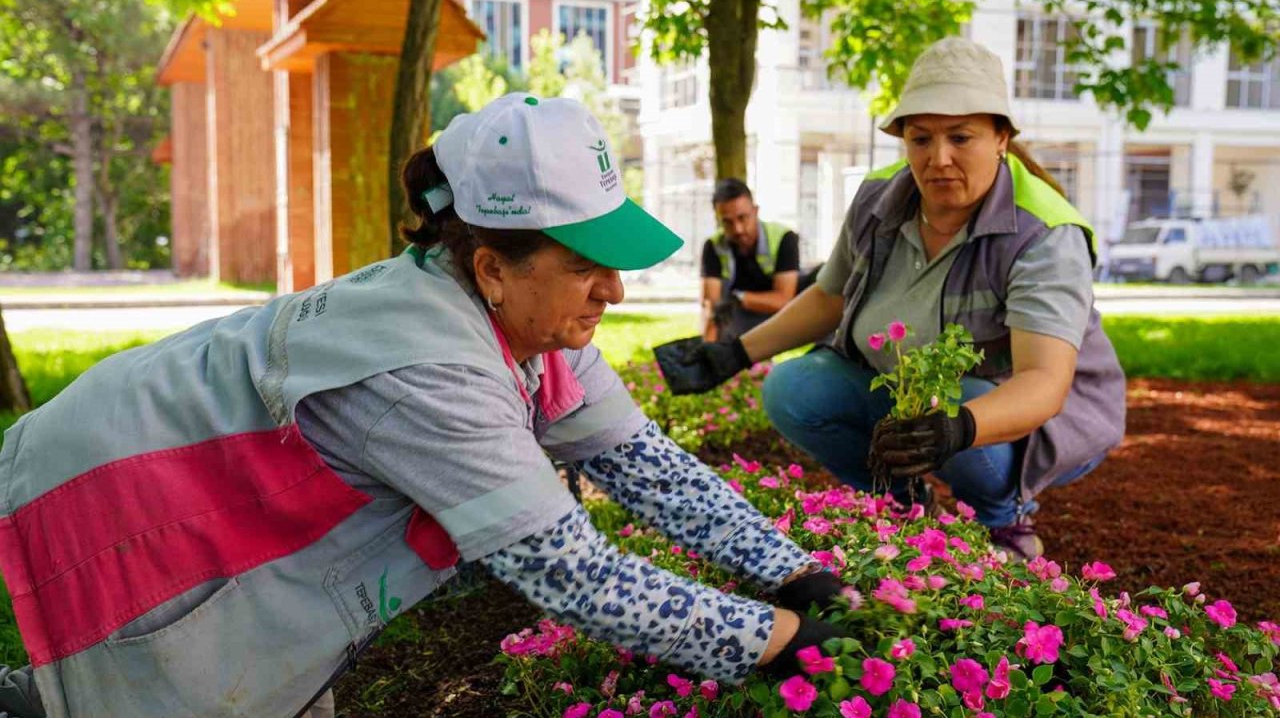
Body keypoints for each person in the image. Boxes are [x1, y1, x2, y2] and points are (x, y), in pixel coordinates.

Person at [0, 94, 849, 718]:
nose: (616, 291)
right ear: (491, 267)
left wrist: (792, 570)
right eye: (588, 263)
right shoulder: (431, 369)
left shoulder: (527, 324)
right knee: (167, 681)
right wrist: (779, 642)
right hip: (127, 488)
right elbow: (575, 578)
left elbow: (643, 465)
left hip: (178, 461)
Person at [657, 38, 1127, 562]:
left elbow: (1044, 382)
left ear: (1001, 137)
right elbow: (828, 297)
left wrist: (957, 428)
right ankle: (905, 504)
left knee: (958, 399)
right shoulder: (880, 199)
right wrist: (733, 353)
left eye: (961, 137)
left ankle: (1004, 520)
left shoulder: (1044, 231)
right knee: (793, 389)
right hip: (915, 395)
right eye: (920, 138)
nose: (938, 158)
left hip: (1019, 417)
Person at [700, 179, 811, 343]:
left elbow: (783, 300)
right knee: (722, 317)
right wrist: (707, 351)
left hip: (784, 316)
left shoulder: (783, 238)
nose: (737, 229)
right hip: (739, 319)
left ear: (756, 211)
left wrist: (739, 298)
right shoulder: (713, 246)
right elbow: (712, 306)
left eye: (742, 218)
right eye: (727, 222)